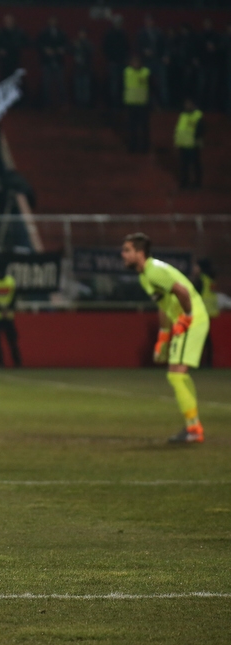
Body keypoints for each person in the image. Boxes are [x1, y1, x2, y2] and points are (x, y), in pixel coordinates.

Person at [121, 233, 210, 443]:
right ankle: (193, 426)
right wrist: (163, 336)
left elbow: (183, 292)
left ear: (139, 253)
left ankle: (194, 429)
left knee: (176, 375)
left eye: (127, 250)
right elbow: (165, 305)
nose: (122, 254)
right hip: (185, 319)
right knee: (178, 375)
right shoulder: (145, 275)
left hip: (192, 318)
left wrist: (187, 318)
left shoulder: (153, 272)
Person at [123, 54, 151, 153]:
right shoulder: (127, 72)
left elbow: (151, 87)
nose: (135, 64)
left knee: (144, 127)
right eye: (133, 62)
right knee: (132, 127)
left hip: (143, 104)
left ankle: (145, 147)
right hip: (131, 104)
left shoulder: (146, 72)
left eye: (137, 61)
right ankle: (132, 147)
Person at [174, 98, 203, 189]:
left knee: (195, 165)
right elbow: (179, 129)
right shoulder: (183, 115)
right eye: (186, 104)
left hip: (193, 145)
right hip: (183, 145)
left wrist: (197, 140)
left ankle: (197, 183)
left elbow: (201, 130)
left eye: (188, 104)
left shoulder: (197, 115)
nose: (186, 106)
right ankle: (184, 182)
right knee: (184, 166)